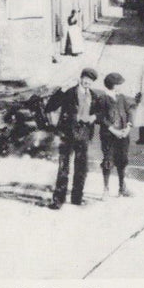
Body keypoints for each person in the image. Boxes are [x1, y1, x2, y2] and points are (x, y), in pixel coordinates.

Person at [45, 68, 99, 208]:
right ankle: (58, 200)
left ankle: (77, 198)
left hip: (84, 134)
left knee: (81, 167)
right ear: (80, 78)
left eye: (91, 80)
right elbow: (50, 106)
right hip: (67, 134)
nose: (88, 82)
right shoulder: (69, 93)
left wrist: (95, 117)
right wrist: (61, 90)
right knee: (64, 167)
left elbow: (100, 112)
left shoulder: (93, 95)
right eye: (86, 79)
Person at [95, 72, 134, 198]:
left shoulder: (121, 97)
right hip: (109, 136)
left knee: (122, 160)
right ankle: (106, 190)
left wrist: (128, 127)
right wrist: (114, 130)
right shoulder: (103, 99)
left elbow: (129, 113)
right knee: (108, 161)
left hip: (123, 135)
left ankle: (122, 188)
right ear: (113, 85)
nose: (120, 86)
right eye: (119, 84)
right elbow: (100, 117)